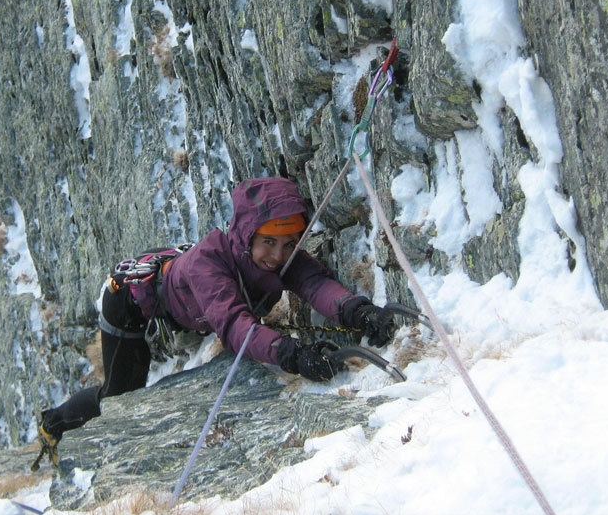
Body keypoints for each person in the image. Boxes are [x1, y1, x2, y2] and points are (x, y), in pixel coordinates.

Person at [35, 177, 396, 465]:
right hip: (127, 302)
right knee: (118, 396)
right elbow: (235, 326)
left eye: (289, 244)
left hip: (181, 304)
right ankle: (53, 424)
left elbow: (313, 283)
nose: (278, 255)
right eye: (269, 242)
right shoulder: (208, 266)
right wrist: (291, 354)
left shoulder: (279, 255)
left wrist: (357, 310)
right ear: (246, 235)